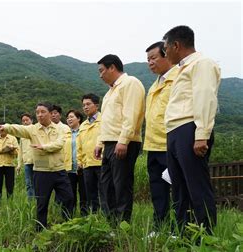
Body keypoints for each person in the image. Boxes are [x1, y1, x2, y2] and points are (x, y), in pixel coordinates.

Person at [163, 25, 221, 234]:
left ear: (176, 45)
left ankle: (205, 236)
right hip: (175, 131)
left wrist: (202, 134)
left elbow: (205, 98)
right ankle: (183, 233)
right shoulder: (181, 69)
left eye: (166, 48)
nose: (165, 52)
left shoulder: (201, 63)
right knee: (179, 188)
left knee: (196, 186)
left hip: (190, 129)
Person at [0, 102, 74, 231]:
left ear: (50, 114)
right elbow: (18, 129)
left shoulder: (61, 129)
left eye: (43, 112)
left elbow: (59, 143)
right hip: (41, 172)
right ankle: (40, 230)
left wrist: (44, 147)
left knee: (68, 198)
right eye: (37, 112)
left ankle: (69, 226)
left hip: (59, 170)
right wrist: (6, 127)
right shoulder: (32, 129)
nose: (39, 115)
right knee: (42, 203)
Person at [94, 54, 145, 223]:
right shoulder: (110, 92)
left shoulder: (130, 83)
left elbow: (131, 114)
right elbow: (107, 120)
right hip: (109, 142)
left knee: (121, 184)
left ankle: (123, 223)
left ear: (112, 68)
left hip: (123, 142)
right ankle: (111, 222)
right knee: (106, 185)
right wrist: (100, 142)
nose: (100, 75)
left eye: (102, 71)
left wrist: (123, 141)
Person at [144, 41, 179, 231]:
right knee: (157, 189)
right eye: (147, 59)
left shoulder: (178, 78)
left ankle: (178, 228)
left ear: (166, 55)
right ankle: (160, 226)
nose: (150, 63)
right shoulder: (153, 85)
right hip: (152, 146)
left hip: (169, 145)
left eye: (153, 58)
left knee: (177, 188)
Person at [78, 93, 103, 214]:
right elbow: (80, 147)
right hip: (87, 165)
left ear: (96, 106)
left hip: (101, 163)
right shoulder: (83, 125)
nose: (85, 107)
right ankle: (94, 217)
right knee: (90, 193)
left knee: (104, 192)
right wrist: (80, 161)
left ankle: (106, 216)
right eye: (83, 105)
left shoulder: (104, 120)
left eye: (88, 104)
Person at [64, 109, 87, 215]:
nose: (69, 119)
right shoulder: (65, 133)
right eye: (68, 117)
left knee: (84, 194)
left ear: (78, 119)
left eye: (71, 117)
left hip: (82, 168)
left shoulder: (84, 131)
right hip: (68, 169)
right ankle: (69, 217)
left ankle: (84, 216)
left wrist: (81, 163)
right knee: (69, 195)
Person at [0, 128, 18, 200]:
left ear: (6, 129)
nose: (1, 130)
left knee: (10, 185)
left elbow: (17, 152)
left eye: (3, 129)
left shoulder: (13, 138)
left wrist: (11, 150)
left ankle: (10, 202)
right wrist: (2, 150)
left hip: (10, 164)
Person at [16, 113, 35, 200]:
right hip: (27, 162)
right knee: (29, 183)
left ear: (32, 120)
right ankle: (31, 202)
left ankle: (39, 201)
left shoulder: (36, 130)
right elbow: (20, 150)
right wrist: (19, 164)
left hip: (37, 162)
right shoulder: (22, 135)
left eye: (27, 120)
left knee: (38, 183)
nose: (25, 122)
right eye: (23, 121)